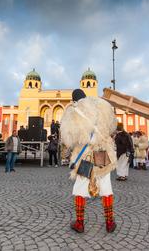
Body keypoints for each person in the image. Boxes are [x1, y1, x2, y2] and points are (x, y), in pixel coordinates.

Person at [61, 89, 118, 233]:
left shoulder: (73, 111)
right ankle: (109, 222)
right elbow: (112, 126)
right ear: (85, 96)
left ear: (74, 99)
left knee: (81, 187)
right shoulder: (101, 105)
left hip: (85, 156)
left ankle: (80, 223)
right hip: (102, 153)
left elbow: (68, 140)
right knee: (106, 186)